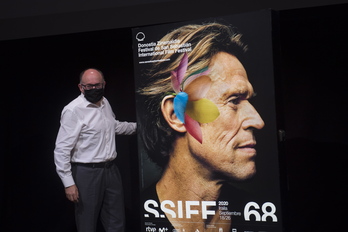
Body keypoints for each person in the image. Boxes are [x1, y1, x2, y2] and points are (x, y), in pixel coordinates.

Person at [138, 23, 265, 232]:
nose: (258, 121)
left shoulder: (257, 215)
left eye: (249, 101)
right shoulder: (132, 219)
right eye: (234, 100)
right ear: (176, 115)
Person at [54, 68, 137, 232]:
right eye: (88, 86)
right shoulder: (73, 110)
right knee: (87, 224)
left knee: (117, 221)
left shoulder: (105, 102)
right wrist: (68, 183)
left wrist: (140, 128)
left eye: (97, 85)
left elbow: (114, 126)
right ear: (80, 87)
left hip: (111, 170)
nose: (93, 89)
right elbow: (61, 149)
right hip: (87, 173)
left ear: (104, 84)